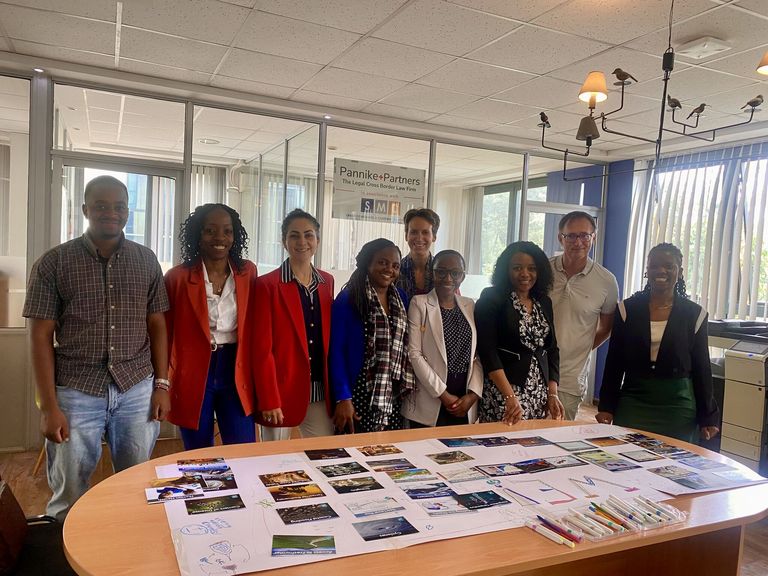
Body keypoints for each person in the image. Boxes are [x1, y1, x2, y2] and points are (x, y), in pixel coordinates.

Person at [23, 175, 170, 520]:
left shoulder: (146, 260)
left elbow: (157, 325)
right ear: (85, 209)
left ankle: (126, 543)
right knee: (70, 491)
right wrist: (48, 407)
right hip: (76, 391)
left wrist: (162, 385)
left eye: (119, 206)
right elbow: (40, 337)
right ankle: (66, 547)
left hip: (136, 388)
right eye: (101, 206)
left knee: (136, 483)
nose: (111, 213)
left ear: (128, 211)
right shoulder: (54, 262)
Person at [597, 243, 720, 444]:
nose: (661, 271)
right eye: (654, 266)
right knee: (626, 453)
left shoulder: (695, 314)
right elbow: (614, 362)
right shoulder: (627, 309)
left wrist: (708, 415)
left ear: (680, 272)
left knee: (674, 459)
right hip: (634, 400)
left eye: (668, 266)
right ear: (647, 271)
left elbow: (702, 367)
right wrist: (606, 406)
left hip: (678, 406)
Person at [164, 203, 258, 450]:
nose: (220, 238)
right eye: (210, 231)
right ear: (198, 234)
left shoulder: (247, 272)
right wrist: (162, 381)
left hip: (235, 368)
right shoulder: (177, 277)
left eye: (227, 231)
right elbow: (165, 333)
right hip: (194, 370)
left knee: (243, 449)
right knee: (198, 454)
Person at [252, 209, 335, 441]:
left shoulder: (327, 282)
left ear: (317, 240)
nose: (302, 242)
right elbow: (261, 350)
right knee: (274, 458)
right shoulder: (267, 285)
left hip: (319, 389)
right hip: (281, 391)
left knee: (325, 454)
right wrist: (268, 398)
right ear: (284, 241)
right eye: (294, 235)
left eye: (308, 235)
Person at [329, 238, 414, 433]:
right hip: (358, 391)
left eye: (395, 266)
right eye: (382, 262)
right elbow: (336, 352)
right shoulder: (348, 298)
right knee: (354, 448)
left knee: (387, 449)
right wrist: (343, 397)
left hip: (391, 392)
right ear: (368, 263)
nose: (389, 269)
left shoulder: (401, 298)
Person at [475, 241, 564, 424]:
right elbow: (488, 351)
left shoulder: (543, 301)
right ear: (506, 270)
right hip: (503, 391)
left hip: (539, 393)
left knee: (534, 440)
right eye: (517, 268)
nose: (525, 274)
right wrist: (509, 396)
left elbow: (552, 349)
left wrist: (552, 393)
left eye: (532, 268)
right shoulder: (492, 298)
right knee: (501, 439)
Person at [550, 211, 619, 420]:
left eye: (584, 235)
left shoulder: (607, 281)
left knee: (557, 435)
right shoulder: (543, 271)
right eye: (571, 235)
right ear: (560, 237)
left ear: (593, 237)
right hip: (532, 373)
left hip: (570, 379)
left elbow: (606, 328)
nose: (578, 242)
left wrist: (580, 347)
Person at [404, 250, 483, 427]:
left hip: (464, 396)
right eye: (441, 272)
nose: (448, 278)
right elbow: (414, 354)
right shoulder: (419, 303)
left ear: (462, 276)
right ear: (432, 273)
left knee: (462, 445)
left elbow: (477, 355)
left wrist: (473, 394)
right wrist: (443, 394)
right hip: (430, 396)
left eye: (455, 273)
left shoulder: (469, 305)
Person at [396, 208, 440, 299]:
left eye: (425, 232)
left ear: (434, 237)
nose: (419, 238)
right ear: (406, 236)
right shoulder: (395, 271)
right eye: (414, 232)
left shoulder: (443, 272)